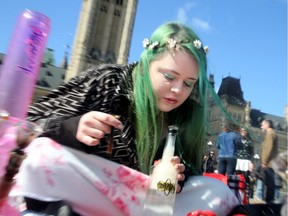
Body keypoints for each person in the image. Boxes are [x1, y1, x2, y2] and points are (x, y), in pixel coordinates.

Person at [9, 22, 240, 215]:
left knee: (218, 192)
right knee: (42, 155)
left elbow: (187, 176)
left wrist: (178, 176)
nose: (178, 90)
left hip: (144, 198)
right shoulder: (110, 80)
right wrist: (72, 128)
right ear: (147, 64)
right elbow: (24, 125)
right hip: (91, 187)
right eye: (170, 76)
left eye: (189, 83)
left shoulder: (188, 111)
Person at [259, 119, 278, 203]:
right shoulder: (272, 134)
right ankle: (269, 200)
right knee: (270, 183)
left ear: (267, 125)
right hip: (271, 163)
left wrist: (264, 162)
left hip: (269, 163)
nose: (261, 127)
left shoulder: (270, 135)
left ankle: (269, 202)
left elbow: (268, 149)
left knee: (270, 183)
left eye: (262, 125)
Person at [235, 128, 254, 200]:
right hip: (239, 160)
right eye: (242, 131)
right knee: (238, 177)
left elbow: (252, 153)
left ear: (246, 132)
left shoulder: (249, 142)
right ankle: (237, 193)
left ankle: (246, 195)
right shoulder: (237, 140)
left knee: (246, 178)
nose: (243, 132)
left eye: (244, 131)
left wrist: (252, 163)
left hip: (247, 161)